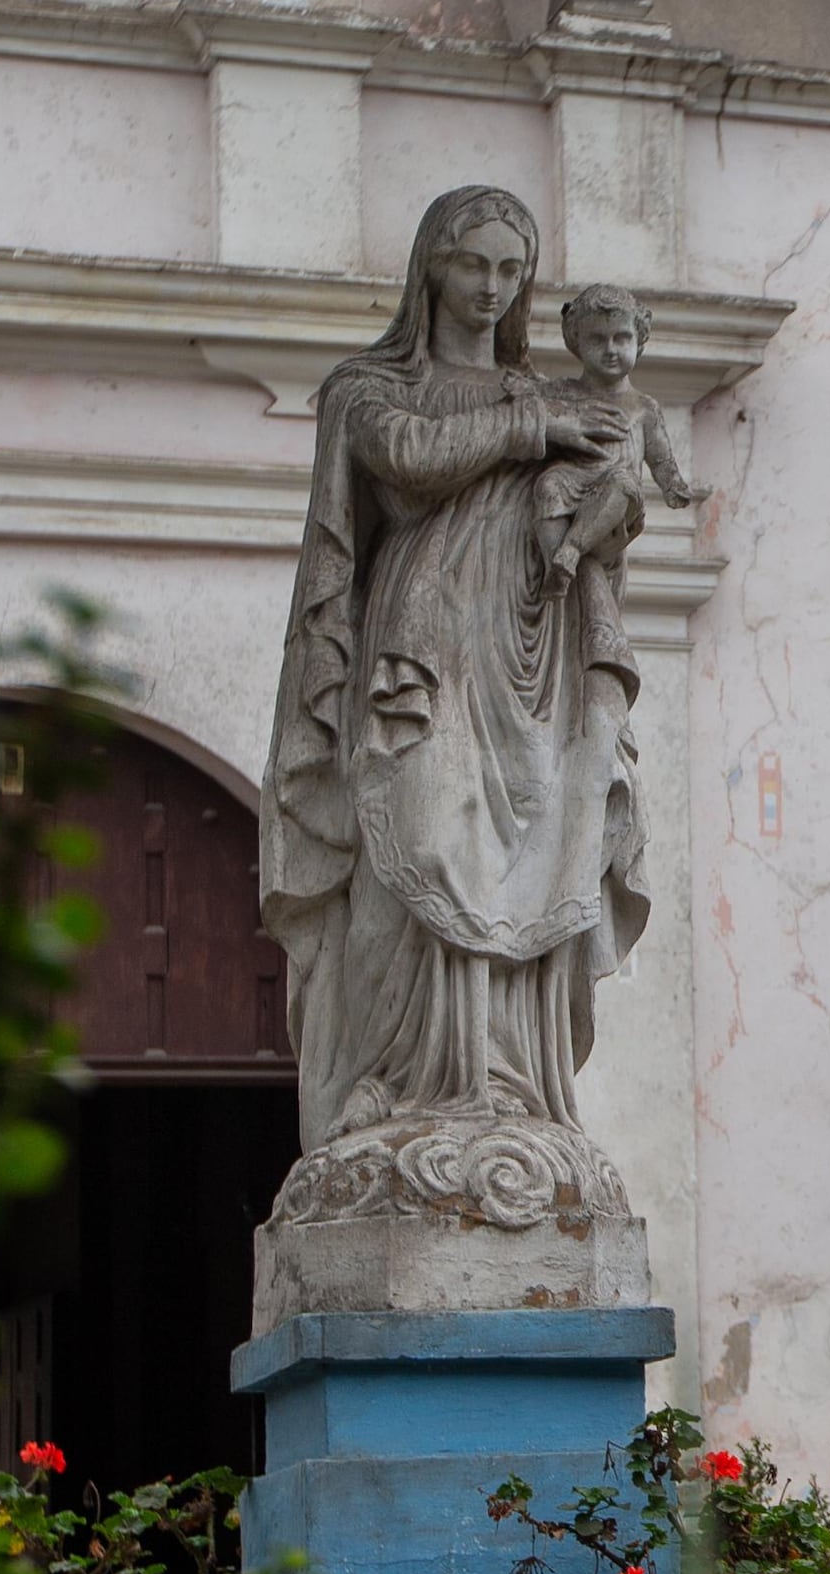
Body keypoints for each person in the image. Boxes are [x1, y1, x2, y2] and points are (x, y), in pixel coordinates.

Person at [260, 188, 650, 1159]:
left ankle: (507, 1082)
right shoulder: (369, 387)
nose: (491, 287)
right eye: (473, 263)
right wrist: (530, 432)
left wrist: (608, 500)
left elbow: (609, 492)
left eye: (511, 270)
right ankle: (392, 1077)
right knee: (418, 824)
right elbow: (407, 459)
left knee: (529, 842)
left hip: (529, 647)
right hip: (422, 637)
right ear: (432, 265)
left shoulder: (549, 397)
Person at [526, 282, 694, 594]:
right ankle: (555, 565)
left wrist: (673, 484)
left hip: (617, 500)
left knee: (623, 483)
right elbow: (534, 408)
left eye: (622, 338)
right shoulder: (563, 392)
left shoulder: (644, 407)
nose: (611, 349)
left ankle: (571, 549)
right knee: (548, 486)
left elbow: (660, 458)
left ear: (639, 338)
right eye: (597, 339)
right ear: (576, 341)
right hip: (575, 480)